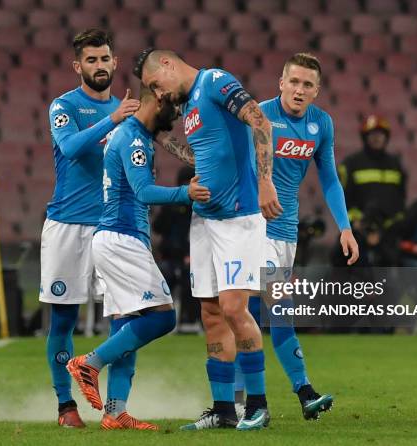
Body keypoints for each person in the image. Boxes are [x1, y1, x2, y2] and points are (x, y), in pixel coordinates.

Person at [136, 48, 282, 431]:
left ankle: (259, 405)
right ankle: (222, 409)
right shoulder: (190, 110)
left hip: (238, 217)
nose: (160, 94)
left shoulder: (215, 81)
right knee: (211, 314)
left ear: (166, 63)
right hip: (204, 222)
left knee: (235, 309)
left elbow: (261, 122)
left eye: (156, 84)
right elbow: (204, 159)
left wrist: (266, 181)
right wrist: (161, 139)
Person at [66, 85, 210, 430]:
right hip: (122, 238)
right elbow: (144, 191)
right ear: (157, 99)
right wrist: (186, 193)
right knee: (163, 319)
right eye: (174, 108)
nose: (176, 116)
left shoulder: (136, 134)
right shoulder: (132, 139)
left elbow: (160, 154)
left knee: (126, 330)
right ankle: (89, 363)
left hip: (116, 238)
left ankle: (115, 412)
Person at [233, 53, 359, 421]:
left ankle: (241, 400)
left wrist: (345, 227)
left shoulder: (322, 124)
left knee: (254, 314)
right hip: (254, 230)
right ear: (281, 83)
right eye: (294, 82)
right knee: (278, 311)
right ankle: (303, 392)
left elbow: (330, 179)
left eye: (308, 84)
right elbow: (236, 163)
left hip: (287, 234)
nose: (299, 90)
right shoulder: (259, 116)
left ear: (317, 91)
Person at [40, 28, 140, 428]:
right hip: (66, 225)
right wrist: (113, 120)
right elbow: (70, 148)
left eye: (105, 59)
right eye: (91, 60)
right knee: (63, 321)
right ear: (77, 65)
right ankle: (66, 407)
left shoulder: (127, 112)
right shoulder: (64, 105)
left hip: (112, 230)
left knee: (126, 319)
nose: (99, 66)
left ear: (115, 62)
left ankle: (116, 411)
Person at [338, 114, 407, 264]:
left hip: (388, 231)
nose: (377, 138)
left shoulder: (396, 165)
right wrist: (355, 222)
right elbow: (341, 200)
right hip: (358, 230)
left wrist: (392, 224)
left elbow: (400, 200)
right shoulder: (351, 164)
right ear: (365, 137)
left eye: (381, 134)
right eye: (372, 134)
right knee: (340, 261)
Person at [152, 166, 201, 332]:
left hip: (193, 258)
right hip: (170, 258)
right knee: (161, 276)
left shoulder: (199, 208)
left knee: (192, 279)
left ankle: (191, 319)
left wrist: (190, 255)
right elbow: (158, 228)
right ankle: (158, 317)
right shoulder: (172, 205)